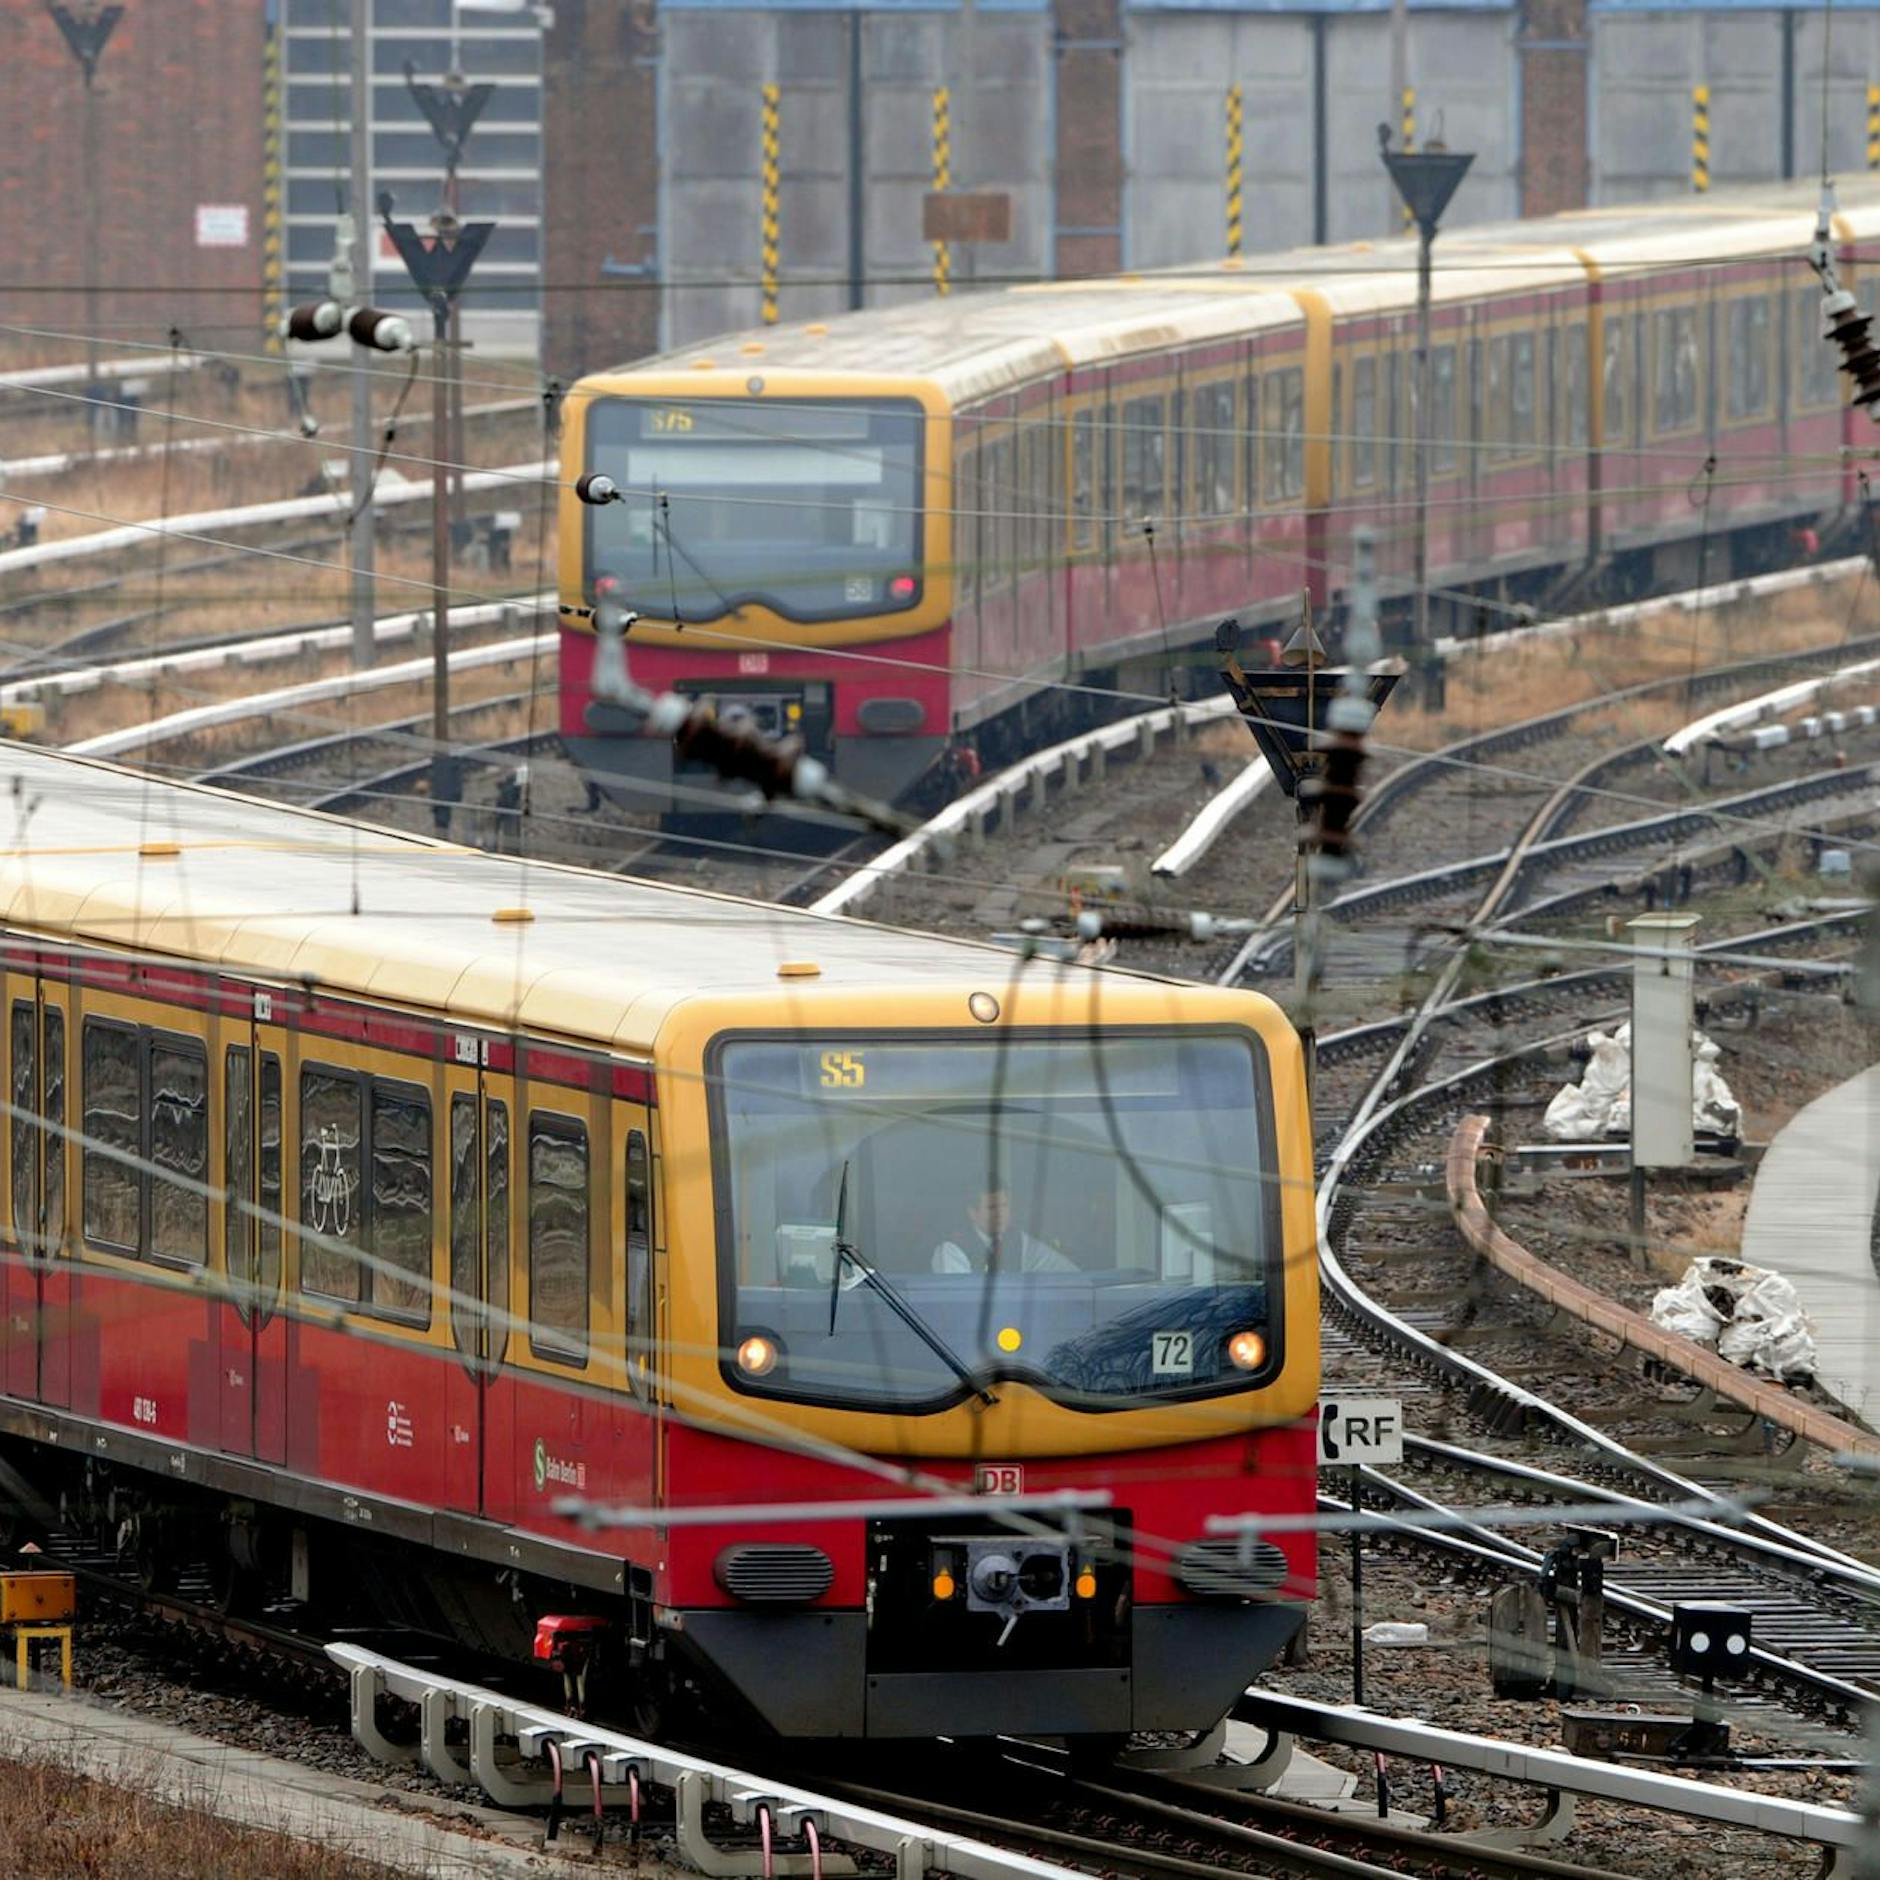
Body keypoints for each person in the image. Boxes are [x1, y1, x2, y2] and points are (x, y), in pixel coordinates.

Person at [932, 1185, 1075, 1275]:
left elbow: (1069, 1274)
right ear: (972, 1213)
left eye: (1004, 1206)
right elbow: (956, 1300)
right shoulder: (951, 1249)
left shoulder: (1019, 1240)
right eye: (992, 1208)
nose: (1000, 1213)